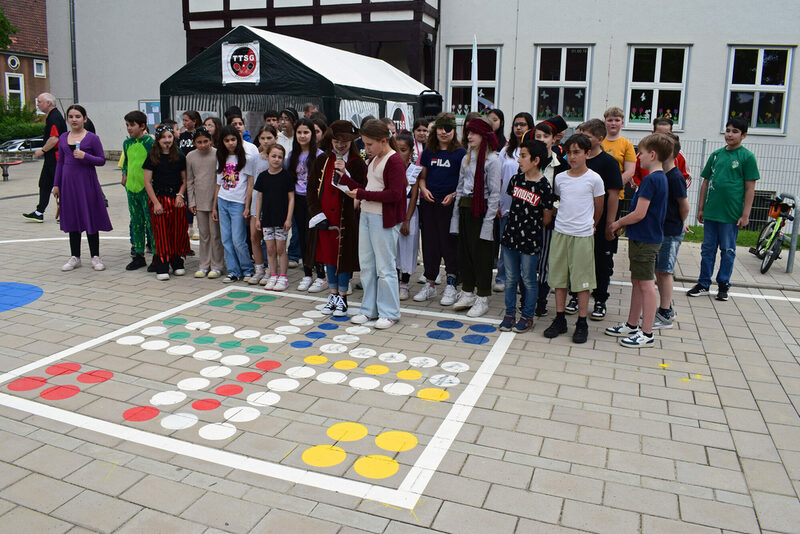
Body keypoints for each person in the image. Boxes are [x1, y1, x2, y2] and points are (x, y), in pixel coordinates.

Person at [606, 133, 670, 347]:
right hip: (642, 237)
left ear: (652, 154)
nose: (637, 157)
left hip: (646, 239)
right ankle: (632, 324)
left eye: (640, 153)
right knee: (638, 282)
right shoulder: (658, 178)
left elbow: (640, 213)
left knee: (646, 285)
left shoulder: (652, 179)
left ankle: (647, 332)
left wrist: (618, 223)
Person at [342, 120, 406, 329]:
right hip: (368, 215)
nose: (366, 148)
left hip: (383, 218)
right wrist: (347, 180)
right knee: (368, 265)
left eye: (369, 144)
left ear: (383, 140)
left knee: (385, 267)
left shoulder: (394, 161)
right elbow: (367, 187)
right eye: (365, 144)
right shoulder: (373, 160)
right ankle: (369, 309)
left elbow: (396, 194)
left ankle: (389, 312)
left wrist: (361, 193)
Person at [687, 117, 759, 301]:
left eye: (735, 131)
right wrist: (701, 208)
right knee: (707, 249)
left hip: (731, 214)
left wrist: (745, 214)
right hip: (712, 212)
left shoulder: (747, 157)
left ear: (744, 135)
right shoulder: (716, 155)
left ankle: (723, 283)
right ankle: (704, 283)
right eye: (727, 130)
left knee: (727, 250)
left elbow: (750, 187)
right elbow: (705, 182)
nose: (729, 134)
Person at [542, 134, 605, 344]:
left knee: (582, 281)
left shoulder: (594, 179)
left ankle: (582, 322)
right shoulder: (560, 178)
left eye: (577, 152)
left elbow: (599, 207)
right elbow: (560, 201)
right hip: (561, 232)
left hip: (582, 235)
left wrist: (591, 224)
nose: (572, 156)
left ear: (587, 153)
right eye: (569, 152)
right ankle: (560, 318)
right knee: (559, 277)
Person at [307, 120, 367, 314]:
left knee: (344, 258)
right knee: (328, 258)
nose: (340, 145)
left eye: (345, 141)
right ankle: (332, 294)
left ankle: (342, 297)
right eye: (337, 140)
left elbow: (361, 189)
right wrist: (317, 214)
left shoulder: (357, 163)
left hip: (346, 219)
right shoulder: (322, 159)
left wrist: (345, 172)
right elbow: (311, 190)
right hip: (325, 217)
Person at [499, 139, 554, 333]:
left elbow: (547, 218)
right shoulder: (516, 180)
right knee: (511, 279)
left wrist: (529, 226)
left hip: (530, 240)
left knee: (529, 280)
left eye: (523, 156)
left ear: (536, 160)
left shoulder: (544, 186)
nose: (519, 160)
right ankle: (509, 314)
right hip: (510, 237)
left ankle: (527, 316)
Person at [449, 118, 501, 317]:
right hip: (465, 208)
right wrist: (455, 217)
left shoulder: (492, 160)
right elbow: (460, 187)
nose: (469, 136)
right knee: (465, 253)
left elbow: (495, 194)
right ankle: (468, 292)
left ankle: (482, 297)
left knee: (482, 256)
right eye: (468, 133)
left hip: (482, 210)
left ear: (484, 136)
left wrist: (488, 224)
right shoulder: (467, 157)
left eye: (474, 133)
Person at [414, 114, 466, 304]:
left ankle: (451, 284)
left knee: (449, 244)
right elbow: (422, 177)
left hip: (450, 206)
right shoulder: (429, 151)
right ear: (435, 130)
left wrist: (452, 195)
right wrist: (424, 189)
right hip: (429, 204)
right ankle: (430, 284)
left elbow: (463, 182)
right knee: (430, 244)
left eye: (448, 128)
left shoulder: (461, 153)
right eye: (440, 128)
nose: (444, 132)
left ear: (454, 130)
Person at [574, 119, 623, 320]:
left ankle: (600, 299)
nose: (581, 140)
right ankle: (575, 296)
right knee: (577, 261)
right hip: (579, 222)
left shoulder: (609, 163)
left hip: (602, 223)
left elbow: (613, 195)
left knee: (602, 263)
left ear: (599, 139)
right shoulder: (578, 161)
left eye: (586, 137)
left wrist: (610, 224)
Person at [52, 104, 111, 271]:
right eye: (71, 116)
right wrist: (56, 184)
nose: (74, 119)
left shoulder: (92, 138)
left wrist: (85, 156)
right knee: (72, 218)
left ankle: (95, 256)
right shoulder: (63, 137)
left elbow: (101, 160)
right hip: (68, 184)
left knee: (90, 217)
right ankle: (75, 256)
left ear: (84, 119)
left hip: (87, 183)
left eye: (77, 116)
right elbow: (60, 162)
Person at [531, 122, 570, 317]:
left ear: (554, 139)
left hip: (550, 220)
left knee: (546, 263)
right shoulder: (527, 161)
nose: (541, 140)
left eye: (545, 137)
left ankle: (541, 299)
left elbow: (563, 196)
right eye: (537, 136)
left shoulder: (561, 165)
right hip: (527, 219)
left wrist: (552, 210)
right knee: (528, 260)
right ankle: (528, 298)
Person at [142, 124, 189, 281]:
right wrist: (155, 202)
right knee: (161, 233)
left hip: (175, 199)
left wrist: (180, 195)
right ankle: (162, 263)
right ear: (158, 139)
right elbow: (148, 182)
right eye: (164, 137)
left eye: (169, 137)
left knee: (177, 231)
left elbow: (184, 180)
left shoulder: (179, 156)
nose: (167, 140)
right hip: (159, 199)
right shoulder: (152, 157)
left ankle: (177, 261)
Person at [653, 134, 689, 329]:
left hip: (670, 230)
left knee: (665, 272)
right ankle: (665, 308)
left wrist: (679, 223)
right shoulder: (663, 175)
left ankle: (665, 312)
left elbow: (684, 206)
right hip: (662, 230)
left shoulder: (675, 177)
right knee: (659, 270)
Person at [496, 112, 535, 291]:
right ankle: (503, 277)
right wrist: (497, 202)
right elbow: (499, 178)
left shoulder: (534, 151)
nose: (519, 128)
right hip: (507, 203)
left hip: (527, 205)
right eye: (516, 124)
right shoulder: (506, 150)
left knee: (524, 244)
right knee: (506, 242)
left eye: (523, 124)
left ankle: (521, 280)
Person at [212, 125, 256, 283]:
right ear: (222, 142)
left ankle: (247, 269)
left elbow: (250, 184)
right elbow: (218, 183)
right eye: (226, 140)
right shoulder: (221, 157)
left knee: (238, 240)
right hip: (223, 201)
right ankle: (233, 271)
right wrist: (214, 206)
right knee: (226, 239)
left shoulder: (247, 158)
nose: (230, 143)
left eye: (233, 139)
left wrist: (247, 207)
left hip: (238, 203)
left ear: (239, 140)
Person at [287, 118, 327, 292]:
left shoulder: (319, 155)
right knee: (302, 236)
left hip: (314, 202)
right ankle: (307, 274)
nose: (302, 136)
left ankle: (321, 275)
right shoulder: (291, 156)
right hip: (297, 201)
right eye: (299, 132)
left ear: (313, 134)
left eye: (306, 132)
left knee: (315, 238)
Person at [254, 145, 295, 291]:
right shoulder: (263, 176)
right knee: (270, 249)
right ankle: (273, 274)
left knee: (281, 248)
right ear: (267, 157)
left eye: (280, 157)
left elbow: (291, 198)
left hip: (281, 219)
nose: (276, 159)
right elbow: (259, 198)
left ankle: (283, 277)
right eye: (274, 156)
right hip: (267, 219)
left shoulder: (286, 176)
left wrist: (288, 218)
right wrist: (258, 218)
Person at [186, 127, 224, 279]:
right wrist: (192, 200)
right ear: (194, 143)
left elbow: (219, 180)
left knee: (216, 234)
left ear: (211, 140)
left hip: (214, 200)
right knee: (204, 234)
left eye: (206, 141)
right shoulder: (190, 156)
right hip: (199, 200)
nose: (203, 145)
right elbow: (189, 180)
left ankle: (217, 265)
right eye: (199, 142)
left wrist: (217, 201)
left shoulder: (217, 154)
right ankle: (203, 264)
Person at [24, 93, 67, 222]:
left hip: (55, 157)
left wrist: (42, 150)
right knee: (44, 183)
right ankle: (39, 212)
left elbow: (54, 139)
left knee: (58, 185)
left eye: (39, 102)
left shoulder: (54, 117)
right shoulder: (52, 116)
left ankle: (64, 212)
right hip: (51, 158)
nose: (37, 104)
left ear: (48, 103)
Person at [121, 110, 155, 271]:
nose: (129, 128)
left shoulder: (149, 142)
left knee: (151, 223)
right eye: (127, 125)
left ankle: (156, 254)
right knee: (136, 222)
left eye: (132, 125)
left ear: (142, 126)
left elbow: (155, 163)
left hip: (146, 190)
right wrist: (124, 174)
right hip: (131, 189)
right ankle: (139, 255)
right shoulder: (127, 143)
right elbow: (127, 162)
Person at [244, 125, 277, 285]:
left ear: (275, 138)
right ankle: (259, 269)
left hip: (272, 205)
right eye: (262, 138)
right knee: (254, 237)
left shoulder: (278, 158)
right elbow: (250, 184)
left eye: (269, 137)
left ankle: (272, 270)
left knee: (271, 241)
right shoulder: (253, 159)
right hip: (255, 205)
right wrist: (247, 206)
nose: (265, 141)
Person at [393, 133, 421, 300]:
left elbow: (414, 195)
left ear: (410, 151)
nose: (399, 153)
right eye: (396, 149)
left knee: (407, 246)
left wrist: (407, 219)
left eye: (403, 150)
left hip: (408, 211)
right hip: (392, 210)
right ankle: (393, 281)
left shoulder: (414, 170)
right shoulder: (390, 167)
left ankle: (404, 283)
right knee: (393, 247)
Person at [632, 117, 692, 188]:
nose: (663, 138)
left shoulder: (678, 154)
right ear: (653, 133)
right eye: (659, 135)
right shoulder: (644, 153)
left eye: (666, 134)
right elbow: (634, 173)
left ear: (672, 134)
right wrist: (642, 187)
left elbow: (687, 177)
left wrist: (676, 192)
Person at [601, 107, 636, 191]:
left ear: (622, 123)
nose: (613, 123)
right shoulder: (598, 141)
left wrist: (614, 185)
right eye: (610, 120)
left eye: (617, 120)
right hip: (596, 192)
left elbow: (630, 171)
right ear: (605, 122)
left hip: (617, 193)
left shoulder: (627, 144)